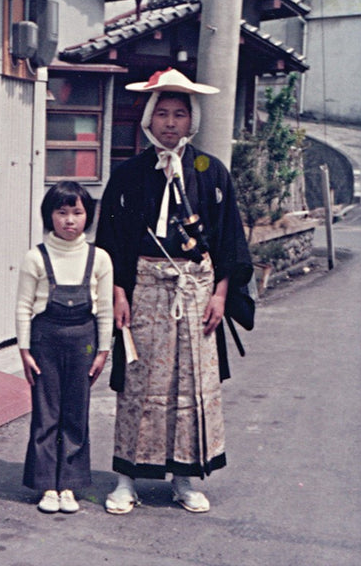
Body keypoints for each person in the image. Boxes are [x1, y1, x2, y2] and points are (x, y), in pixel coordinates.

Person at [96, 68, 252, 514]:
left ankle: (186, 478)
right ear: (148, 119)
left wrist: (221, 295)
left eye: (179, 114)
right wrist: (118, 293)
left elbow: (228, 243)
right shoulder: (128, 175)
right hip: (143, 290)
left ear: (192, 120)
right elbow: (111, 242)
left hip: (197, 293)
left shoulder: (211, 171)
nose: (170, 122)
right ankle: (127, 477)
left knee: (192, 387)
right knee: (138, 383)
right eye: (161, 113)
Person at [15, 181, 114, 514]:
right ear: (49, 216)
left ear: (88, 215)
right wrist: (24, 350)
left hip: (83, 342)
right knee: (47, 414)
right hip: (45, 341)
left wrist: (102, 350)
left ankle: (70, 484)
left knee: (76, 413)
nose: (69, 220)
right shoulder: (36, 257)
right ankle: (46, 486)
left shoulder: (99, 258)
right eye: (61, 212)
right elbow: (24, 307)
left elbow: (105, 311)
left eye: (77, 212)